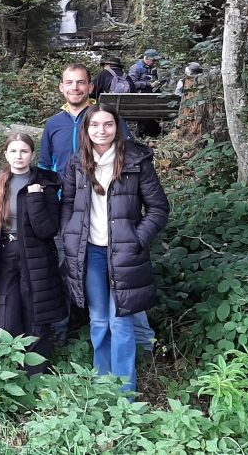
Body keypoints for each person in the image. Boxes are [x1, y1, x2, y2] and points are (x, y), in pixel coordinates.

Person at [61, 104, 169, 394]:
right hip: (91, 253)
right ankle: (101, 386)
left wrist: (137, 240)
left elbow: (158, 208)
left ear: (117, 127)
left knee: (120, 321)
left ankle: (124, 393)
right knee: (98, 321)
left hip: (124, 253)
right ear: (86, 129)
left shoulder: (137, 161)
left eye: (108, 124)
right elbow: (68, 206)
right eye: (95, 125)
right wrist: (70, 237)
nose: (101, 130)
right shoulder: (76, 163)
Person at [39, 63, 146, 349]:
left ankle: (143, 342)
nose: (75, 88)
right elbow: (44, 167)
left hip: (111, 215)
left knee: (124, 281)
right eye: (69, 83)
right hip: (71, 214)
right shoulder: (53, 124)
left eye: (81, 83)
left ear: (90, 87)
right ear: (62, 87)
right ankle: (62, 334)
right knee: (67, 272)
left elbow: (131, 157)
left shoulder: (104, 118)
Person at [0, 133, 65, 374]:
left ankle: (35, 375)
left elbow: (47, 229)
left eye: (24, 151)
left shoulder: (46, 184)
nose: (19, 156)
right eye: (13, 151)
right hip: (1, 257)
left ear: (32, 155)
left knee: (35, 315)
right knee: (3, 317)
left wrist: (35, 197)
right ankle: (6, 374)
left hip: (36, 257)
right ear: (6, 154)